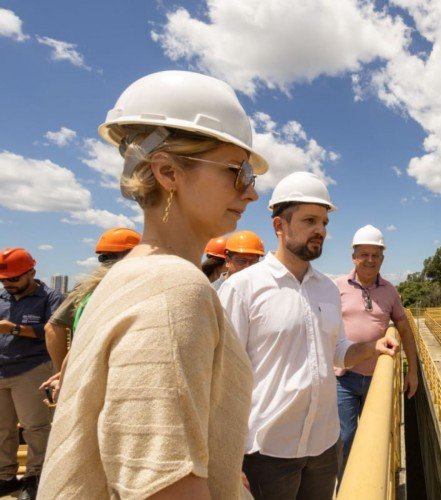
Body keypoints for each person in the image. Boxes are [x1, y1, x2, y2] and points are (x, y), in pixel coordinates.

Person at [39, 70, 268, 499]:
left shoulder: (127, 276)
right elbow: (163, 483)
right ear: (168, 172)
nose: (250, 192)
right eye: (238, 173)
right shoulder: (174, 289)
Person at [218, 172, 399, 500]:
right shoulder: (243, 289)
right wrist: (227, 459)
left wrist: (373, 347)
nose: (321, 231)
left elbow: (338, 352)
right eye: (310, 220)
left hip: (323, 448)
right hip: (266, 453)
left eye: (325, 223)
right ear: (279, 226)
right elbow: (220, 379)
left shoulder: (328, 290)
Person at [335, 225, 419, 480]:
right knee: (345, 438)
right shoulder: (336, 287)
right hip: (343, 377)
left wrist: (412, 371)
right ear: (354, 257)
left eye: (376, 255)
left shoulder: (389, 291)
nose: (370, 260)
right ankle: (347, 488)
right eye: (364, 254)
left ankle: (373, 483)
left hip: (376, 378)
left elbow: (405, 330)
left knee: (375, 437)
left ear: (382, 258)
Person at [0, 247, 63, 500]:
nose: (8, 284)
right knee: (2, 429)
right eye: (4, 280)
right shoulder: (2, 297)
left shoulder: (50, 297)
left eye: (14, 279)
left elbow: (54, 330)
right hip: (3, 368)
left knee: (34, 427)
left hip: (32, 369)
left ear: (31, 272)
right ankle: (5, 477)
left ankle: (34, 477)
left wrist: (14, 329)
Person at [45, 227, 141, 373]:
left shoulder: (86, 289)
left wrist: (62, 375)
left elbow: (52, 328)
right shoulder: (140, 286)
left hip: (86, 369)